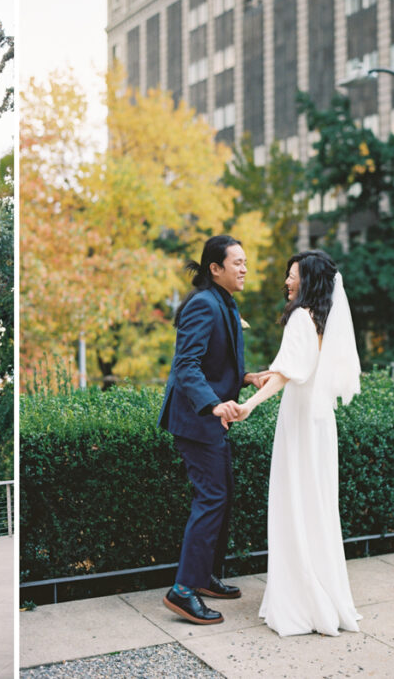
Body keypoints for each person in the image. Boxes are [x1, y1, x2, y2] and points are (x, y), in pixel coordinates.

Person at [233, 250, 363, 636]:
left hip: (302, 422)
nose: (287, 282)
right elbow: (295, 368)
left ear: (309, 281)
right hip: (320, 423)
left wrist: (249, 405)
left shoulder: (299, 319)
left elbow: (289, 374)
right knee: (316, 506)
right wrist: (261, 375)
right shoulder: (322, 320)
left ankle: (301, 604)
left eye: (293, 276)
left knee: (295, 503)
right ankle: (321, 596)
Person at [158, 235, 270, 625]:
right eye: (236, 262)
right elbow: (186, 365)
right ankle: (183, 591)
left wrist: (247, 376)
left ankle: (202, 577)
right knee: (211, 499)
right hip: (196, 420)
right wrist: (213, 403)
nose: (244, 268)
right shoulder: (204, 304)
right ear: (215, 269)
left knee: (221, 497)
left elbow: (216, 363)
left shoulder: (222, 301)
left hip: (209, 418)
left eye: (245, 261)